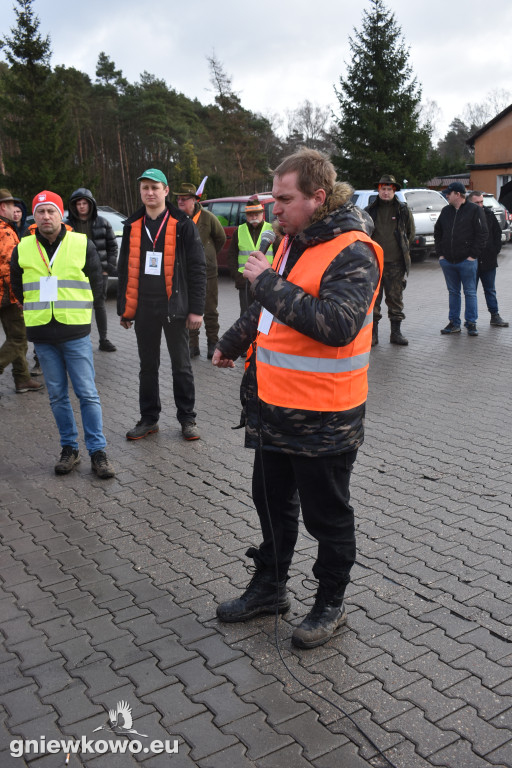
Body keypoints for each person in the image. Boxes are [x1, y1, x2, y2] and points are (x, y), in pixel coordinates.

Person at [212, 149, 383, 649]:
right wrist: (232, 340)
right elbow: (272, 307)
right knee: (270, 504)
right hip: (272, 409)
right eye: (273, 198)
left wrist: (264, 280)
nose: (275, 209)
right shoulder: (290, 242)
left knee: (326, 515)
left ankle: (330, 602)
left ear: (318, 197)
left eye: (285, 199)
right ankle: (270, 588)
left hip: (325, 418)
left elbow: (335, 325)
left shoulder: (355, 249)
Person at [10, 190, 115, 478]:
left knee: (87, 394)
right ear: (35, 216)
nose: (46, 216)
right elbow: (17, 287)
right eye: (41, 211)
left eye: (51, 211)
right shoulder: (23, 247)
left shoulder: (82, 244)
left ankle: (98, 452)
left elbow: (97, 284)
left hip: (75, 332)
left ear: (61, 215)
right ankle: (69, 449)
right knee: (57, 396)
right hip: (43, 333)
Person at [117, 169, 206, 441]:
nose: (150, 192)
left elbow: (197, 268)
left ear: (166, 191)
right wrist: (125, 308)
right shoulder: (132, 225)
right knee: (147, 366)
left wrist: (197, 309)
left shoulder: (182, 224)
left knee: (181, 364)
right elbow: (124, 270)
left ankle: (187, 419)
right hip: (144, 307)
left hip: (174, 306)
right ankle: (149, 419)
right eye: (145, 187)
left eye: (155, 187)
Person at [175, 182, 226, 359]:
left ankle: (213, 343)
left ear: (194, 200)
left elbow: (221, 238)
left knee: (210, 310)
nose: (180, 201)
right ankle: (192, 345)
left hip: (208, 272)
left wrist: (209, 255)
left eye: (184, 198)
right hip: (185, 273)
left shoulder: (208, 217)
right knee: (188, 309)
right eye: (178, 198)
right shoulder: (176, 219)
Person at [0, 188, 43, 395]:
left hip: (2, 295)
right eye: (11, 206)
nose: (14, 209)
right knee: (19, 336)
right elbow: (9, 269)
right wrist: (19, 297)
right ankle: (21, 377)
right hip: (7, 295)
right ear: (2, 207)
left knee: (14, 336)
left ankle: (22, 378)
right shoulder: (5, 231)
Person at [66, 188, 118, 352]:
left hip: (99, 272)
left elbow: (112, 247)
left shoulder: (103, 222)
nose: (81, 207)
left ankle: (103, 339)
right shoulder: (67, 226)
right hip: (76, 273)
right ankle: (79, 341)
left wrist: (107, 269)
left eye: (84, 203)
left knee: (99, 305)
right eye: (78, 204)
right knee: (77, 307)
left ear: (91, 205)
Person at [365, 174, 414, 346]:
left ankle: (396, 333)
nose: (386, 192)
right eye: (383, 189)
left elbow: (409, 233)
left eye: (389, 189)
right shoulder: (370, 210)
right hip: (374, 264)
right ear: (378, 190)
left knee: (395, 299)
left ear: (394, 191)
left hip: (395, 263)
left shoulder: (402, 210)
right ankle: (373, 335)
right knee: (373, 300)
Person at [435, 182, 488, 336]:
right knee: (453, 292)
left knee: (470, 292)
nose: (446, 196)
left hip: (467, 261)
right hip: (448, 261)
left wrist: (473, 256)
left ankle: (471, 323)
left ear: (457, 194)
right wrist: (441, 254)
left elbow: (482, 234)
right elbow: (437, 232)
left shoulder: (475, 210)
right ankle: (454, 323)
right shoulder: (446, 211)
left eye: (449, 193)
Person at [227, 197, 280, 316]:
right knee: (246, 315)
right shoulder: (239, 231)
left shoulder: (271, 230)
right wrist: (238, 278)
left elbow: (279, 255)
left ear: (262, 214)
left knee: (265, 315)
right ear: (246, 216)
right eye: (251, 215)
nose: (254, 217)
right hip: (245, 282)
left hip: (266, 281)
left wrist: (275, 278)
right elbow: (231, 257)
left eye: (257, 214)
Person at [467, 190, 508, 328]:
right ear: (470, 202)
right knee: (471, 292)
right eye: (476, 202)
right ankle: (471, 320)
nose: (480, 204)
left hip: (489, 260)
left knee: (490, 289)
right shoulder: (465, 215)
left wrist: (495, 250)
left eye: (481, 202)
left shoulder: (489, 214)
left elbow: (497, 233)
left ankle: (495, 316)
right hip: (471, 260)